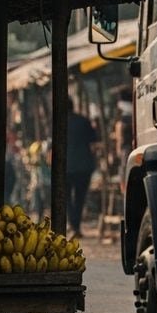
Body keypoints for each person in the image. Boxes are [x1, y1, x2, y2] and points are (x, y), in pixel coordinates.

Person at [65, 102, 99, 240]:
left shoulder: (58, 121)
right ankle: (75, 226)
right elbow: (94, 141)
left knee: (66, 198)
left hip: (65, 166)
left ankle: (74, 225)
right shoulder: (84, 121)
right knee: (80, 198)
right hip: (84, 166)